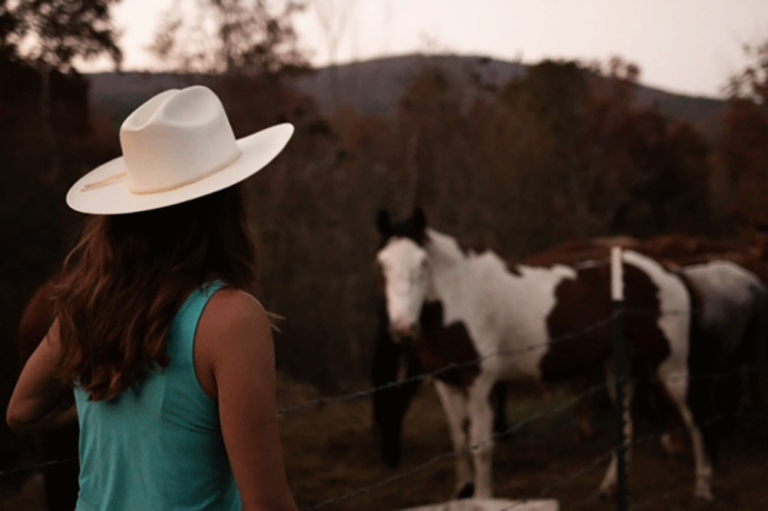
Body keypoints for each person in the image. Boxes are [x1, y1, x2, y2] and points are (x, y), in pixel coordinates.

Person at [6, 85, 299, 511]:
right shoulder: (232, 319)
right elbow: (267, 502)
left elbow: (21, 410)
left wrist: (106, 405)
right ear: (225, 202)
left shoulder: (86, 305)